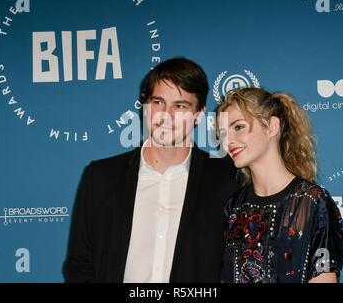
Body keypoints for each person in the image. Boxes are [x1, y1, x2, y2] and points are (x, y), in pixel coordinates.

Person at [63, 57, 239, 282]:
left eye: (180, 106)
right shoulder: (101, 177)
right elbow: (80, 265)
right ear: (145, 106)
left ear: (200, 113)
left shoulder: (226, 180)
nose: (167, 115)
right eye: (158, 102)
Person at [217, 87, 343, 283]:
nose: (228, 141)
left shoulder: (313, 203)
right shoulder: (234, 206)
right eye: (223, 133)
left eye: (238, 127)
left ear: (272, 127)